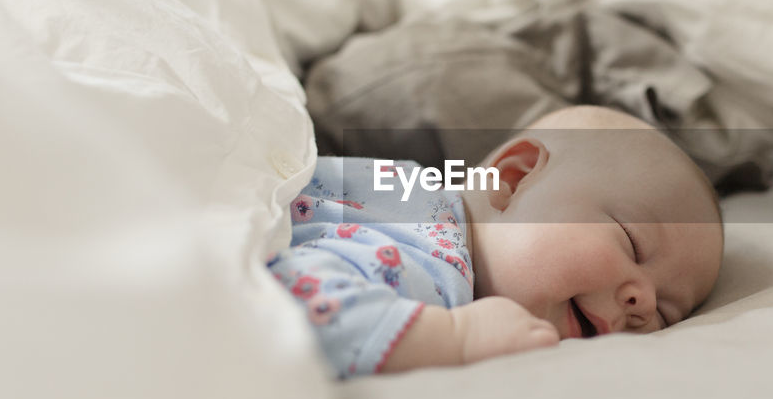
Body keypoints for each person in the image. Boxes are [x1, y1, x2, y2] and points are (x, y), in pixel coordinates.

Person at [269, 106, 724, 378]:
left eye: (667, 312)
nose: (643, 301)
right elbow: (279, 305)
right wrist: (453, 339)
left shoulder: (402, 188)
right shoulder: (433, 259)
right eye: (633, 243)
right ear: (513, 178)